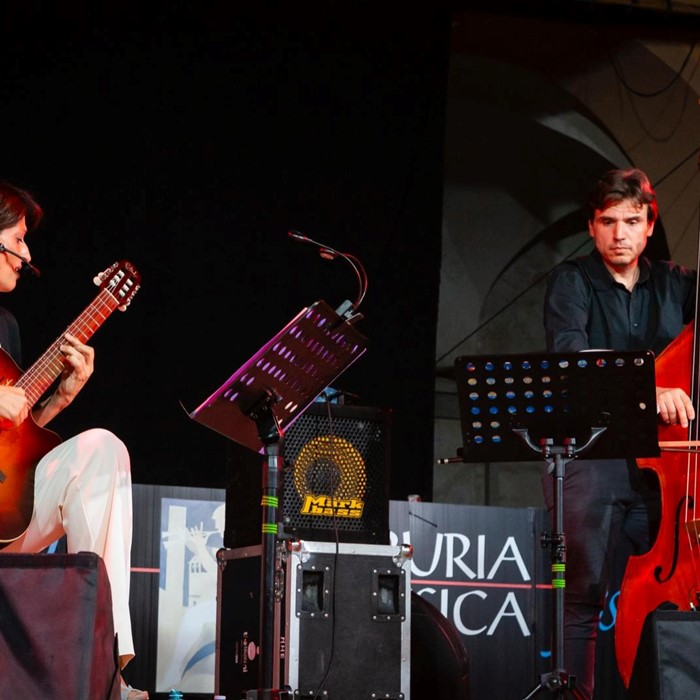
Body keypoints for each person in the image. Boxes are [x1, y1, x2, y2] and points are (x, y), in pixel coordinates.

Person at [542, 167, 696, 699]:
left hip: (666, 468)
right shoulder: (572, 282)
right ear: (592, 226)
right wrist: (650, 390)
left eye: (632, 221)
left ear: (650, 225)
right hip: (593, 459)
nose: (620, 234)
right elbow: (570, 358)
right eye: (608, 221)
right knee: (582, 596)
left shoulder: (677, 283)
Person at [0, 180, 149, 700]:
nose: (27, 255)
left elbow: (15, 440)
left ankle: (106, 667)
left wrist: (59, 399)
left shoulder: (6, 326)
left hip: (6, 516)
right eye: (18, 240)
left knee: (102, 448)